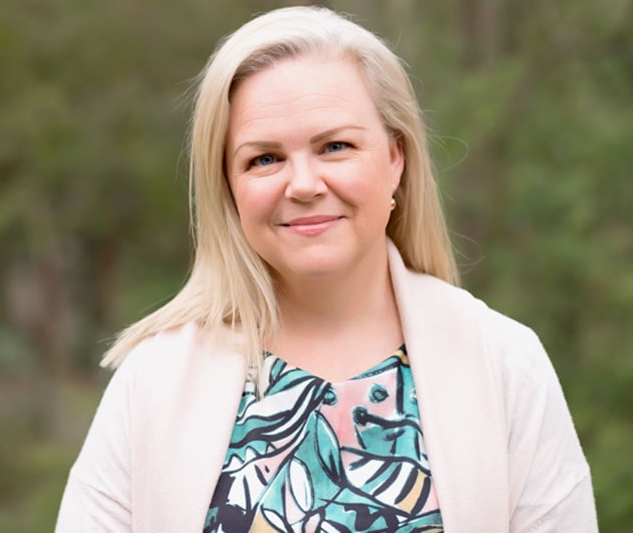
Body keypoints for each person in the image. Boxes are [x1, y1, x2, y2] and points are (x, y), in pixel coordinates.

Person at [55, 6, 597, 532]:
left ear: (395, 159)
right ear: (228, 186)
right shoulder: (153, 381)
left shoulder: (504, 365)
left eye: (335, 146)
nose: (304, 184)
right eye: (264, 158)